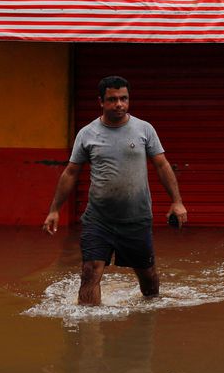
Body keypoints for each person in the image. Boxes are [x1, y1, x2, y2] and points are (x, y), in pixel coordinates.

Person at [42, 76, 187, 306]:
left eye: (123, 98)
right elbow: (71, 172)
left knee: (148, 279)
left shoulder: (144, 129)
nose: (119, 104)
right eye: (112, 99)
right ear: (101, 101)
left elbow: (162, 165)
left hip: (136, 218)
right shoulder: (87, 133)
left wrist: (177, 201)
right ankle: (88, 324)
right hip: (98, 220)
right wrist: (54, 210)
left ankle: (149, 317)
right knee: (90, 271)